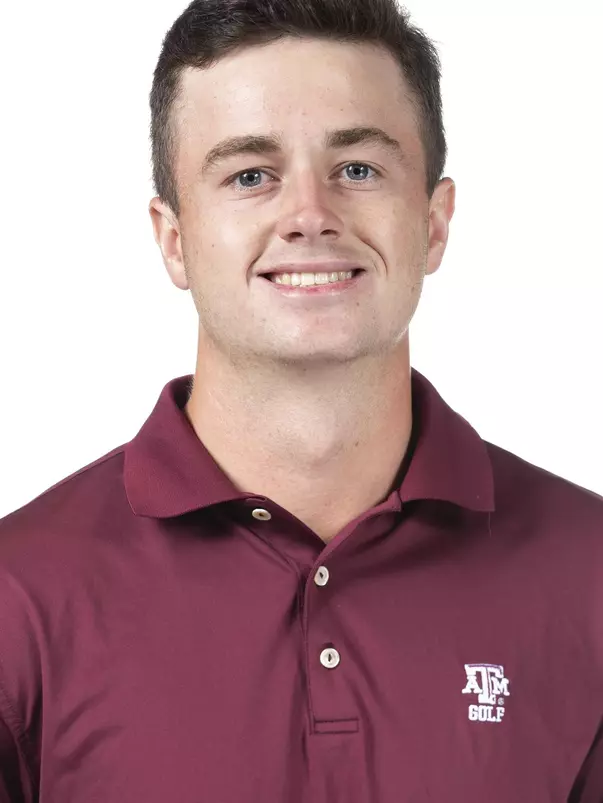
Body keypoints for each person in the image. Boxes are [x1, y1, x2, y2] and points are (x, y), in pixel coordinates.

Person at [0, 0, 602, 799]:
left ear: (432, 222)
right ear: (173, 239)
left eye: (358, 168)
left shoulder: (587, 570)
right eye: (250, 175)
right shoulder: (20, 591)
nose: (310, 216)